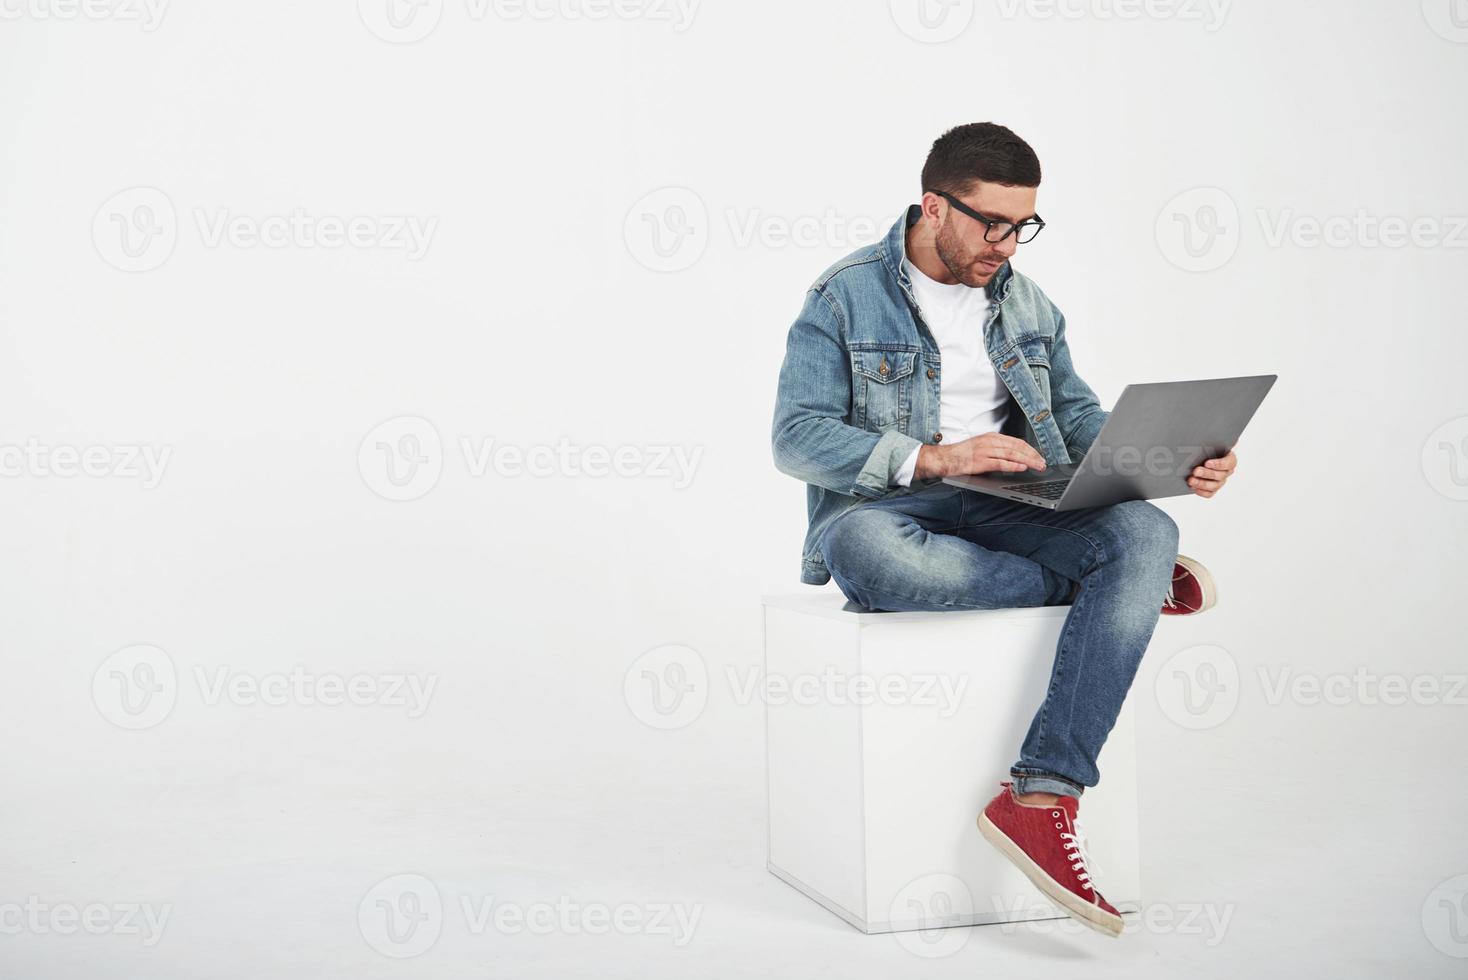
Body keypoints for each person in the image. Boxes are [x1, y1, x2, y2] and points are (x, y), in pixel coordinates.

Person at [769, 122, 1239, 938]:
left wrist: (1169, 456)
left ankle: (1042, 794)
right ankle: (1103, 587)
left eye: (1023, 225)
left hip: (1012, 501)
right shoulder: (842, 296)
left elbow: (1075, 412)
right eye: (992, 223)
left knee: (1147, 529)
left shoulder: (1024, 299)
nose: (1007, 243)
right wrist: (939, 458)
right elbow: (796, 437)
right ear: (932, 205)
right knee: (868, 559)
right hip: (890, 504)